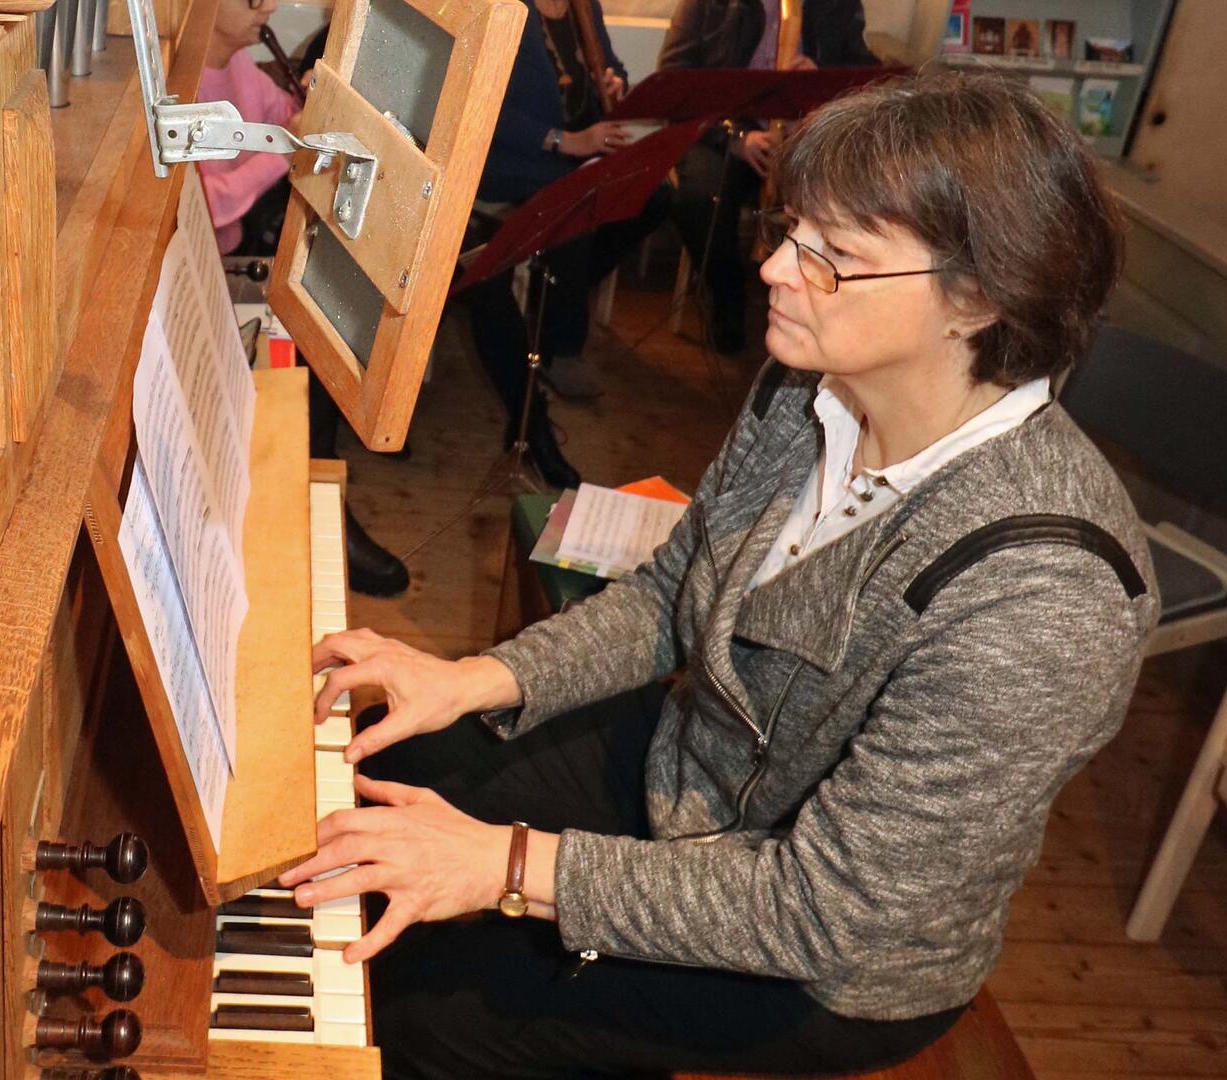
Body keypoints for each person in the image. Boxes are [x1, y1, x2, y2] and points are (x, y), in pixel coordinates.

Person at [280, 74, 1158, 1077]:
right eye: (792, 230)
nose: (777, 267)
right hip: (693, 771)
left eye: (834, 257)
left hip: (824, 962)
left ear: (978, 300)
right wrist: (474, 679)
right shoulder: (809, 383)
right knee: (375, 783)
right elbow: (672, 595)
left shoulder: (1047, 598)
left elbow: (824, 911)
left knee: (433, 1022)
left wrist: (507, 868)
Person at [196, 0, 412, 597]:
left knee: (332, 317)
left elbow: (288, 122)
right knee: (312, 351)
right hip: (197, 276)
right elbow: (205, 202)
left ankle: (314, 496)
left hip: (236, 268)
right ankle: (305, 507)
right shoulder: (173, 78)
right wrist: (284, 150)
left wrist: (317, 108)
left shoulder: (241, 66)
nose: (266, 5)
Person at [462, 0, 673, 489]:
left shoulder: (584, 6)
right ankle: (556, 340)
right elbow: (482, 105)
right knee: (574, 216)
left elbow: (611, 65)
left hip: (576, 154)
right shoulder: (501, 8)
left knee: (654, 196)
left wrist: (614, 81)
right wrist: (566, 141)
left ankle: (557, 301)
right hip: (510, 162)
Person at [659, 0, 876, 354]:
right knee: (698, 199)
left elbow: (863, 75)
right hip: (727, 135)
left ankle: (824, 319)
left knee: (851, 203)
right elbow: (674, 79)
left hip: (806, 137)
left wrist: (818, 87)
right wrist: (734, 138)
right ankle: (727, 298)